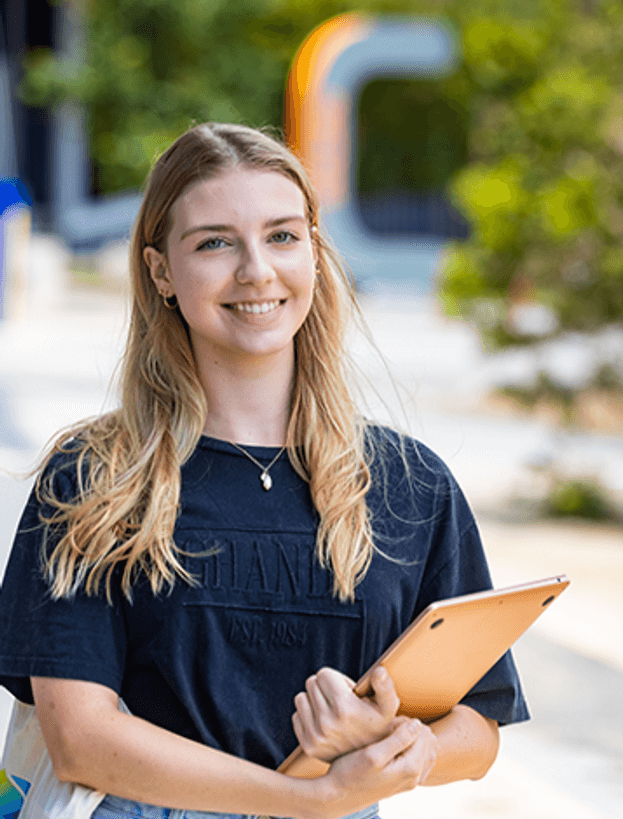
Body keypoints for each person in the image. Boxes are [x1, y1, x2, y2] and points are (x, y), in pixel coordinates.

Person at [0, 123, 528, 819]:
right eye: (215, 242)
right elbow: (81, 740)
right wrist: (306, 797)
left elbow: (478, 728)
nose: (256, 270)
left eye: (282, 236)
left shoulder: (408, 486)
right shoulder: (98, 478)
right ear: (160, 271)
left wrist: (399, 748)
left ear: (314, 249)